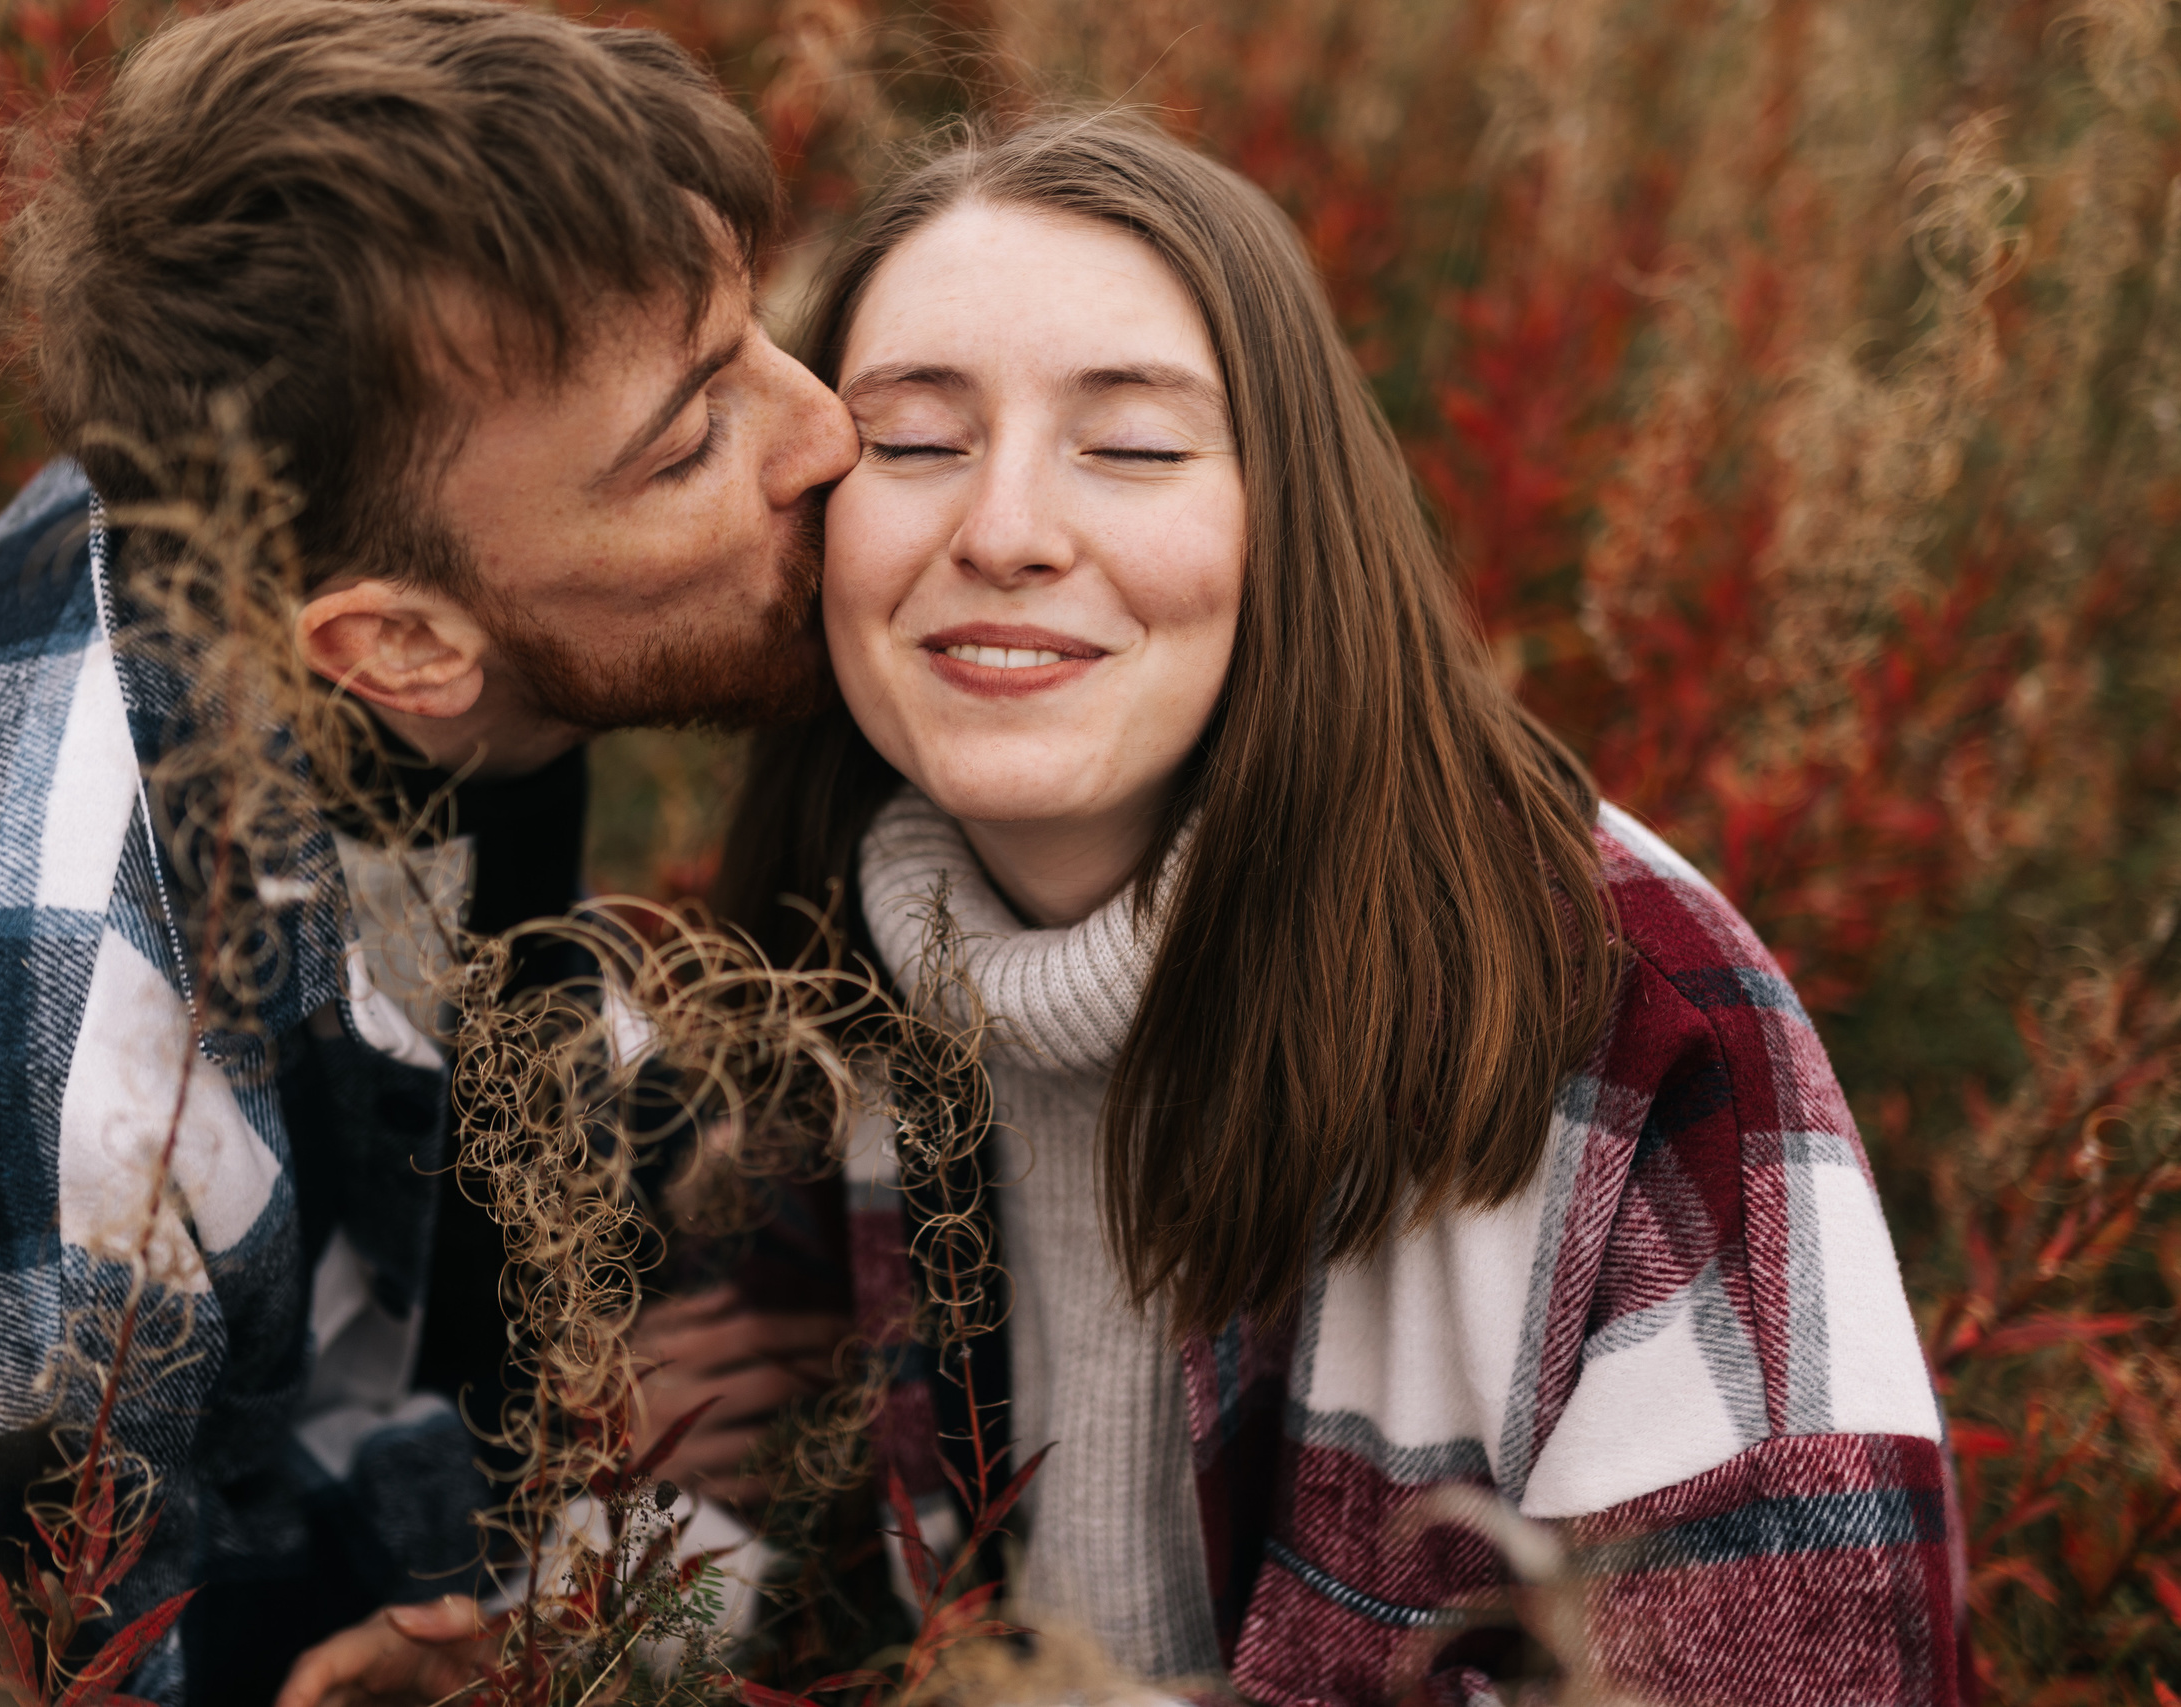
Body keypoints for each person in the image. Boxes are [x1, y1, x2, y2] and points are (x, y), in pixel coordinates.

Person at [0, 4, 852, 1703]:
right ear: (400, 644)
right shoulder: (37, 1057)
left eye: (752, 341)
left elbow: (407, 1092)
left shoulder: (311, 520)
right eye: (695, 435)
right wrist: (550, 1563)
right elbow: (2, 1668)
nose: (829, 437)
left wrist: (622, 1329)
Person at [699, 116, 1962, 1703]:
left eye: (1137, 446)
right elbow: (707, 1538)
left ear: (1288, 519)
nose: (1004, 529)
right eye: (914, 441)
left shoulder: (1615, 1008)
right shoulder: (803, 986)